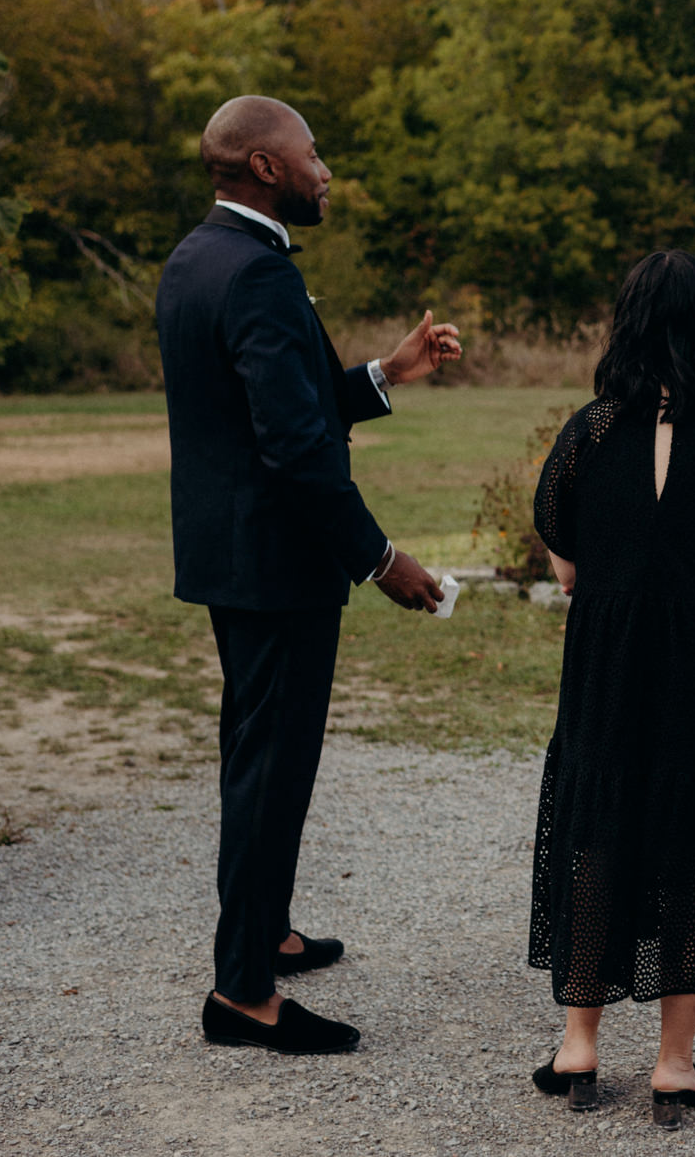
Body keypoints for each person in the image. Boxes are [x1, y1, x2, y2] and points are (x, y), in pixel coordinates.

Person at [156, 94, 461, 1055]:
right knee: (269, 772)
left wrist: (389, 371)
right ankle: (242, 994)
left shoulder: (198, 258)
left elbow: (286, 405)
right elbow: (292, 448)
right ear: (265, 167)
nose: (325, 169)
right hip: (279, 567)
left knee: (262, 760)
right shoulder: (256, 276)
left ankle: (268, 930)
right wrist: (381, 560)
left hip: (234, 560)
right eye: (312, 154)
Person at [527, 250, 695, 1129]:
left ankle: (579, 1046)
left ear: (627, 323)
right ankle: (675, 1065)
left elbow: (565, 561)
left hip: (607, 670)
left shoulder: (586, 433)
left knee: (596, 833)